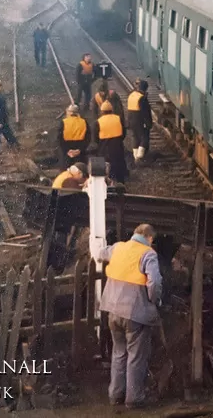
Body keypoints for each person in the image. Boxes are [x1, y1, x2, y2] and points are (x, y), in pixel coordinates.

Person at [92, 223, 162, 409]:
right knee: (136, 356)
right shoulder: (148, 254)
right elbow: (154, 282)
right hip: (135, 313)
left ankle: (115, 395)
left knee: (119, 353)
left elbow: (100, 253)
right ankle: (133, 399)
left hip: (112, 311)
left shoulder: (118, 247)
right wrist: (155, 301)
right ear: (149, 238)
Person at [94, 100, 127, 183]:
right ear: (112, 110)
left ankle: (104, 184)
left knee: (104, 167)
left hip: (103, 147)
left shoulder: (98, 121)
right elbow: (124, 133)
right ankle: (121, 183)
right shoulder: (118, 118)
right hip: (117, 146)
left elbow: (95, 138)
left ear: (102, 111)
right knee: (119, 165)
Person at [127, 79, 153, 162]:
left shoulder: (131, 95)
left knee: (135, 137)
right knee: (144, 137)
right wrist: (148, 123)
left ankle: (135, 156)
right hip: (139, 119)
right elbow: (145, 112)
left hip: (131, 119)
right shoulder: (142, 98)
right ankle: (139, 156)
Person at [57, 104, 90, 169]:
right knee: (81, 171)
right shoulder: (84, 122)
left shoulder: (64, 122)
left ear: (69, 112)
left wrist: (67, 151)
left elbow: (59, 138)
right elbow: (88, 138)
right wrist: (80, 150)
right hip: (80, 154)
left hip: (67, 153)